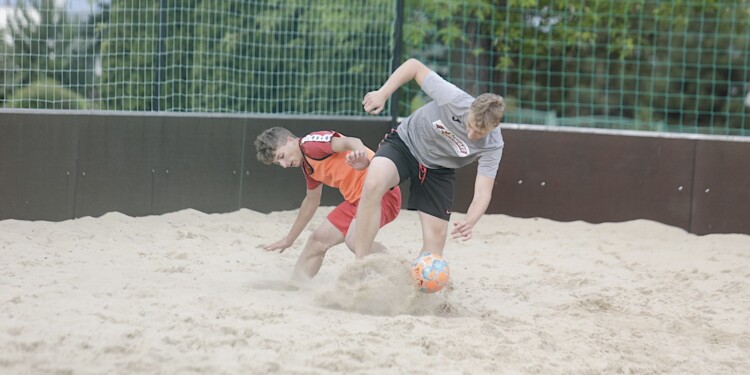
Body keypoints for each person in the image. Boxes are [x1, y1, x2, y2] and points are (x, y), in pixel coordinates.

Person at [351, 58, 505, 260]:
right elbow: (414, 66)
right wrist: (383, 93)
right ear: (470, 110)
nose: (471, 134)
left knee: (435, 245)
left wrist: (470, 220)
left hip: (438, 170)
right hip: (406, 144)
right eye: (470, 125)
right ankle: (361, 263)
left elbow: (483, 192)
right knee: (373, 183)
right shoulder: (453, 98)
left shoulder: (494, 144)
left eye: (479, 132)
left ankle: (420, 284)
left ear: (493, 127)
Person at [254, 127, 402, 280]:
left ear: (290, 141)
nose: (284, 165)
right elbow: (311, 202)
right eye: (279, 163)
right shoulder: (308, 165)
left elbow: (352, 141)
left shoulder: (311, 144)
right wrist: (289, 239)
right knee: (317, 241)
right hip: (356, 201)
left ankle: (400, 271)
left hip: (380, 192)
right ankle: (297, 286)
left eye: (282, 156)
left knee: (355, 240)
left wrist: (362, 156)